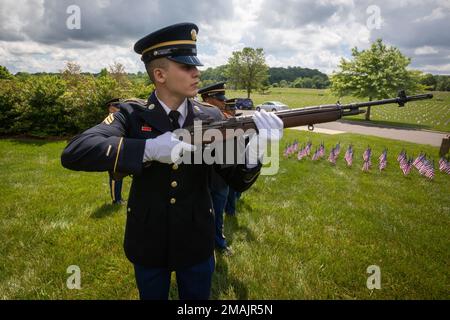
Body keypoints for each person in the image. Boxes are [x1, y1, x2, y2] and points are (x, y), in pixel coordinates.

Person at [61, 22, 283, 300]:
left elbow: (236, 179)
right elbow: (76, 150)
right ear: (159, 74)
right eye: (186, 67)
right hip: (148, 238)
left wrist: (256, 147)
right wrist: (149, 149)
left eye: (195, 66)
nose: (196, 73)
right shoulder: (132, 114)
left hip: (197, 239)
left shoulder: (210, 117)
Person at [198, 82, 234, 254]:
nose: (223, 103)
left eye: (222, 99)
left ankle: (219, 243)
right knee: (199, 215)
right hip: (200, 176)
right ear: (207, 99)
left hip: (221, 177)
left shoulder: (226, 119)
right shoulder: (195, 119)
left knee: (218, 213)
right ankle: (200, 245)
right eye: (219, 99)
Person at [105, 98, 125, 205]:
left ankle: (119, 197)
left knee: (119, 174)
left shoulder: (118, 118)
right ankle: (115, 199)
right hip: (111, 150)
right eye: (116, 107)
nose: (118, 109)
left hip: (119, 149)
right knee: (114, 176)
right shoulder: (109, 120)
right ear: (110, 107)